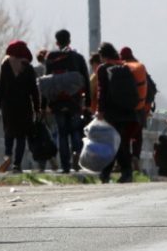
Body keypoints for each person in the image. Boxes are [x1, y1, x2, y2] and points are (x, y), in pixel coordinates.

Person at [42, 29, 90, 173]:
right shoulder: (77, 58)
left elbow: (46, 84)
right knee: (75, 130)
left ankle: (65, 166)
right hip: (74, 102)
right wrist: (88, 103)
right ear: (69, 41)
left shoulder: (51, 57)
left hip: (57, 102)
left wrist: (43, 105)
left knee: (62, 133)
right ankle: (76, 153)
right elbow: (86, 81)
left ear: (57, 42)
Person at [95, 42, 139, 183]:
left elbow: (101, 91)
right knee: (122, 143)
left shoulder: (103, 69)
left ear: (103, 55)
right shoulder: (125, 67)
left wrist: (100, 111)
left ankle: (112, 173)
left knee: (111, 143)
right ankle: (121, 172)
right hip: (127, 111)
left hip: (111, 112)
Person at [0, 39, 40, 173]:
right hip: (24, 106)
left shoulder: (5, 65)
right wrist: (37, 108)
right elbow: (34, 90)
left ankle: (7, 155)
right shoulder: (28, 68)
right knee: (21, 136)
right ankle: (17, 164)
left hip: (8, 105)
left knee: (9, 132)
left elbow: (1, 85)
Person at [119, 46, 153, 173]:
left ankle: (126, 161)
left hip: (126, 109)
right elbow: (150, 88)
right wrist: (147, 106)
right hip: (141, 108)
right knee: (137, 136)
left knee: (125, 136)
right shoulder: (140, 68)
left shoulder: (121, 69)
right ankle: (136, 157)